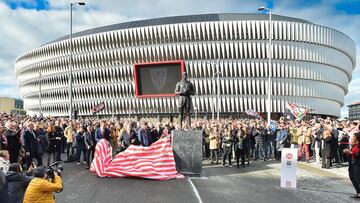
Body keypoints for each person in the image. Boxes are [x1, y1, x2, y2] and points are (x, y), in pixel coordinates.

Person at [343, 132, 360, 199]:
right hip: (352, 163)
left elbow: (357, 154)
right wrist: (348, 151)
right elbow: (353, 152)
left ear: (356, 138)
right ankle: (358, 192)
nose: (352, 137)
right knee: (352, 177)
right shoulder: (354, 144)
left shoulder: (358, 145)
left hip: (357, 163)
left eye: (353, 136)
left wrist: (350, 152)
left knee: (357, 178)